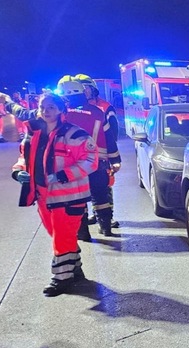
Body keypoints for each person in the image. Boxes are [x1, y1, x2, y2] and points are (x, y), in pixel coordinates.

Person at [7, 92, 98, 296]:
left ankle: (61, 279)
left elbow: (91, 160)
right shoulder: (33, 134)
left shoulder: (75, 134)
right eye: (42, 107)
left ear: (60, 110)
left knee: (62, 236)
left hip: (69, 196)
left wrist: (64, 175)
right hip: (42, 195)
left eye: (51, 107)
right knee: (58, 235)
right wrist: (19, 170)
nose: (45, 111)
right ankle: (74, 269)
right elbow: (24, 157)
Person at [56, 75, 117, 238]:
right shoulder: (97, 112)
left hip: (72, 167)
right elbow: (109, 137)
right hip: (96, 163)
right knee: (101, 196)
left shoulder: (61, 115)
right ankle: (106, 228)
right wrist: (115, 160)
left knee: (77, 198)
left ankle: (83, 233)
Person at [73, 74, 122, 230]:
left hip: (100, 157)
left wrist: (112, 158)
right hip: (81, 160)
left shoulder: (104, 107)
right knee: (83, 191)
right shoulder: (74, 108)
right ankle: (89, 218)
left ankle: (107, 218)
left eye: (86, 88)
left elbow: (112, 134)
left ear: (93, 90)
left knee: (104, 189)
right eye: (82, 89)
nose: (84, 91)